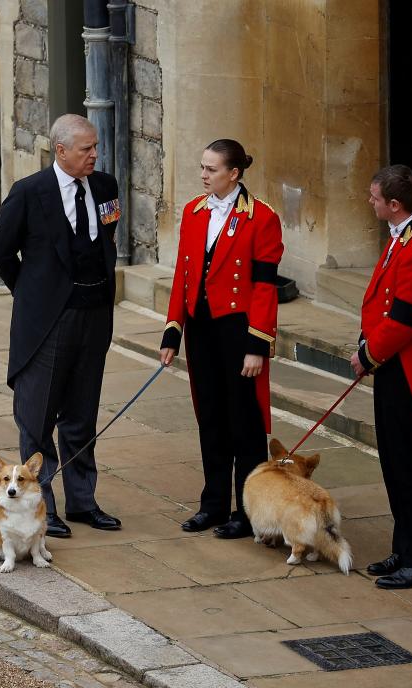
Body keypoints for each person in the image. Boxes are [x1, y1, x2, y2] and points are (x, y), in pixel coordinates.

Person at [0, 114, 122, 538]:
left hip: (94, 317)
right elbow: (2, 252)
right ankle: (42, 503)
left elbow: (107, 237)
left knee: (82, 415)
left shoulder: (104, 187)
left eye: (96, 147)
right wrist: (32, 297)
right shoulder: (29, 193)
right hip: (47, 324)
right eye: (86, 149)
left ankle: (83, 501)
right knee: (38, 416)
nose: (94, 155)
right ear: (61, 151)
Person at [160, 139, 284, 539]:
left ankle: (248, 513)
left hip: (239, 331)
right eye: (202, 167)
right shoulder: (195, 212)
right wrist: (172, 330)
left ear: (234, 173)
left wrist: (257, 345)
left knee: (244, 425)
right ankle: (212, 505)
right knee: (210, 418)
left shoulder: (262, 218)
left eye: (211, 169)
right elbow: (183, 273)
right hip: (202, 330)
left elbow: (266, 287)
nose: (203, 175)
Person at [350, 164, 412, 589]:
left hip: (410, 369)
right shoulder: (404, 235)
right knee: (394, 462)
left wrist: (366, 355)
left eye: (374, 198)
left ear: (394, 205)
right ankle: (404, 548)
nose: (369, 202)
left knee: (410, 466)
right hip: (394, 366)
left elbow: (405, 319)